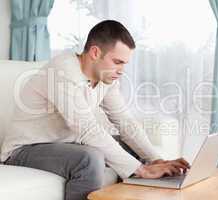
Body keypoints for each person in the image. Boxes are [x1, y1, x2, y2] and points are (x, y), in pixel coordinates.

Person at [1, 20, 190, 200]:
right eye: (117, 62)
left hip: (66, 144)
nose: (122, 70)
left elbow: (124, 122)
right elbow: (86, 130)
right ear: (94, 52)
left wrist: (155, 160)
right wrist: (141, 170)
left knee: (129, 149)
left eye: (124, 63)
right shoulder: (62, 71)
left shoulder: (105, 78)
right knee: (90, 159)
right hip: (24, 150)